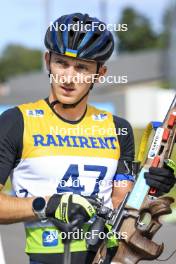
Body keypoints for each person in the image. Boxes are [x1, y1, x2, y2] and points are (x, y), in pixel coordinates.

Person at [0, 13, 175, 264]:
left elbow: (123, 205)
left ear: (100, 73)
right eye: (62, 63)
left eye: (82, 67)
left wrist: (151, 187)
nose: (69, 77)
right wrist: (46, 206)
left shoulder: (119, 129)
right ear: (47, 60)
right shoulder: (16, 121)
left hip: (106, 256)